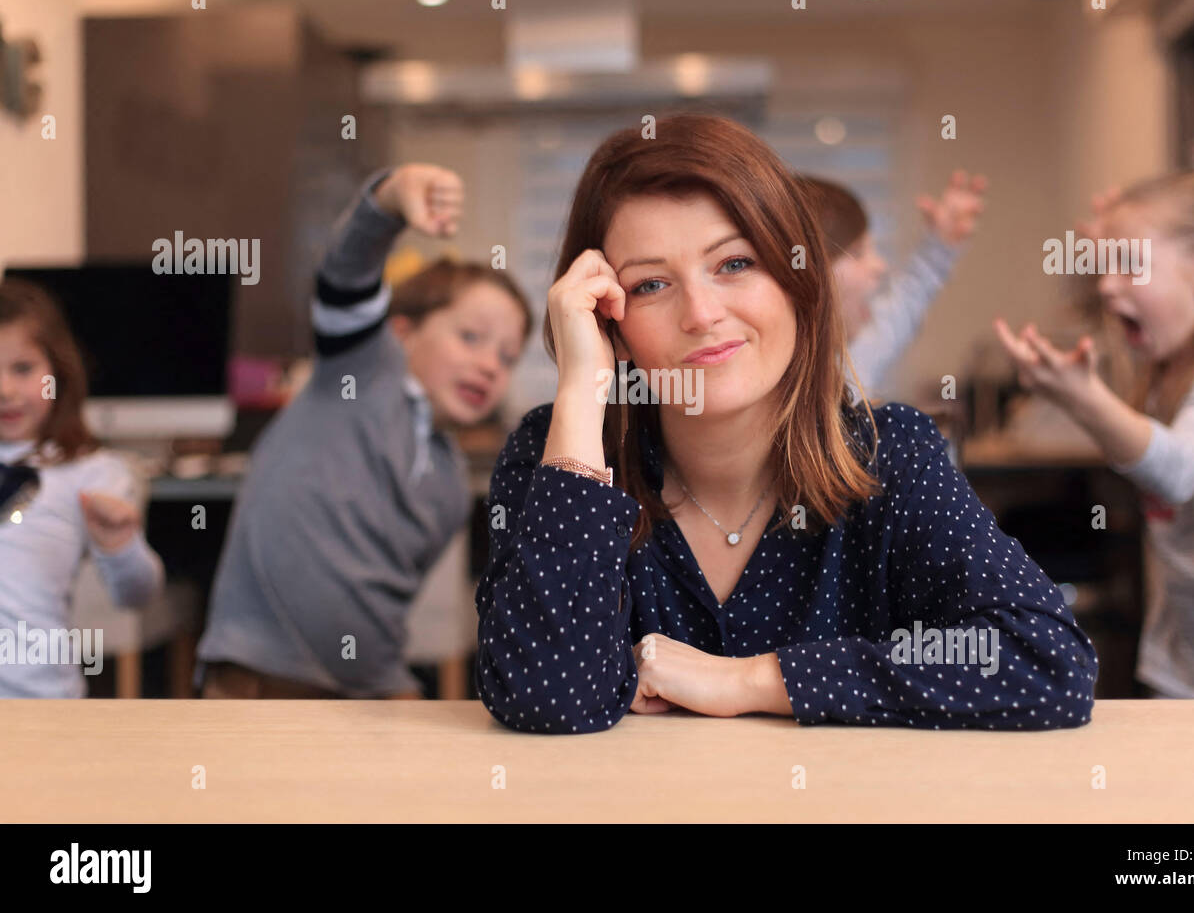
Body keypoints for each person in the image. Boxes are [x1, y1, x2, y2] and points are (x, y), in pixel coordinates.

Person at [475, 114, 1097, 733]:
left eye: (735, 264)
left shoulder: (891, 451)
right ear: (611, 323)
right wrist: (584, 385)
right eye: (651, 284)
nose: (701, 313)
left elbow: (1045, 662)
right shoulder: (554, 454)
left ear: (797, 279)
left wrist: (753, 680)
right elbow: (545, 697)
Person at [196, 164, 532, 699]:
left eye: (508, 356)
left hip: (366, 686)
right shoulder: (361, 370)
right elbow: (346, 271)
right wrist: (389, 201)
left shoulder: (448, 480)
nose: (491, 365)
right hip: (259, 675)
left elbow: (389, 603)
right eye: (471, 337)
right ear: (401, 333)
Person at [995, 172, 1194, 698]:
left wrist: (1081, 398)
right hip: (1190, 665)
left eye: (1130, 264)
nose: (1108, 283)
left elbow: (1178, 469)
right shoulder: (1166, 371)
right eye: (1103, 267)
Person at [0, 279, 163, 698]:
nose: (5, 390)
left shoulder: (91, 473)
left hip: (41, 700)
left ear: (58, 370)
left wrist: (119, 545)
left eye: (22, 368)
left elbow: (137, 594)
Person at [799, 171, 987, 398]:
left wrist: (942, 245)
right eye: (858, 252)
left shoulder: (853, 359)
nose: (880, 265)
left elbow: (903, 304)